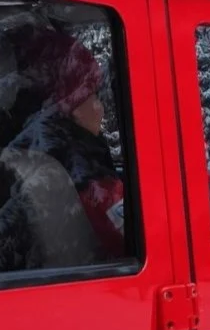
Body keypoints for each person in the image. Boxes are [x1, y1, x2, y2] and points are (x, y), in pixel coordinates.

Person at [16, 29, 127, 260]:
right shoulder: (85, 175)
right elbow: (125, 236)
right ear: (72, 109)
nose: (100, 108)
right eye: (94, 98)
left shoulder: (52, 156)